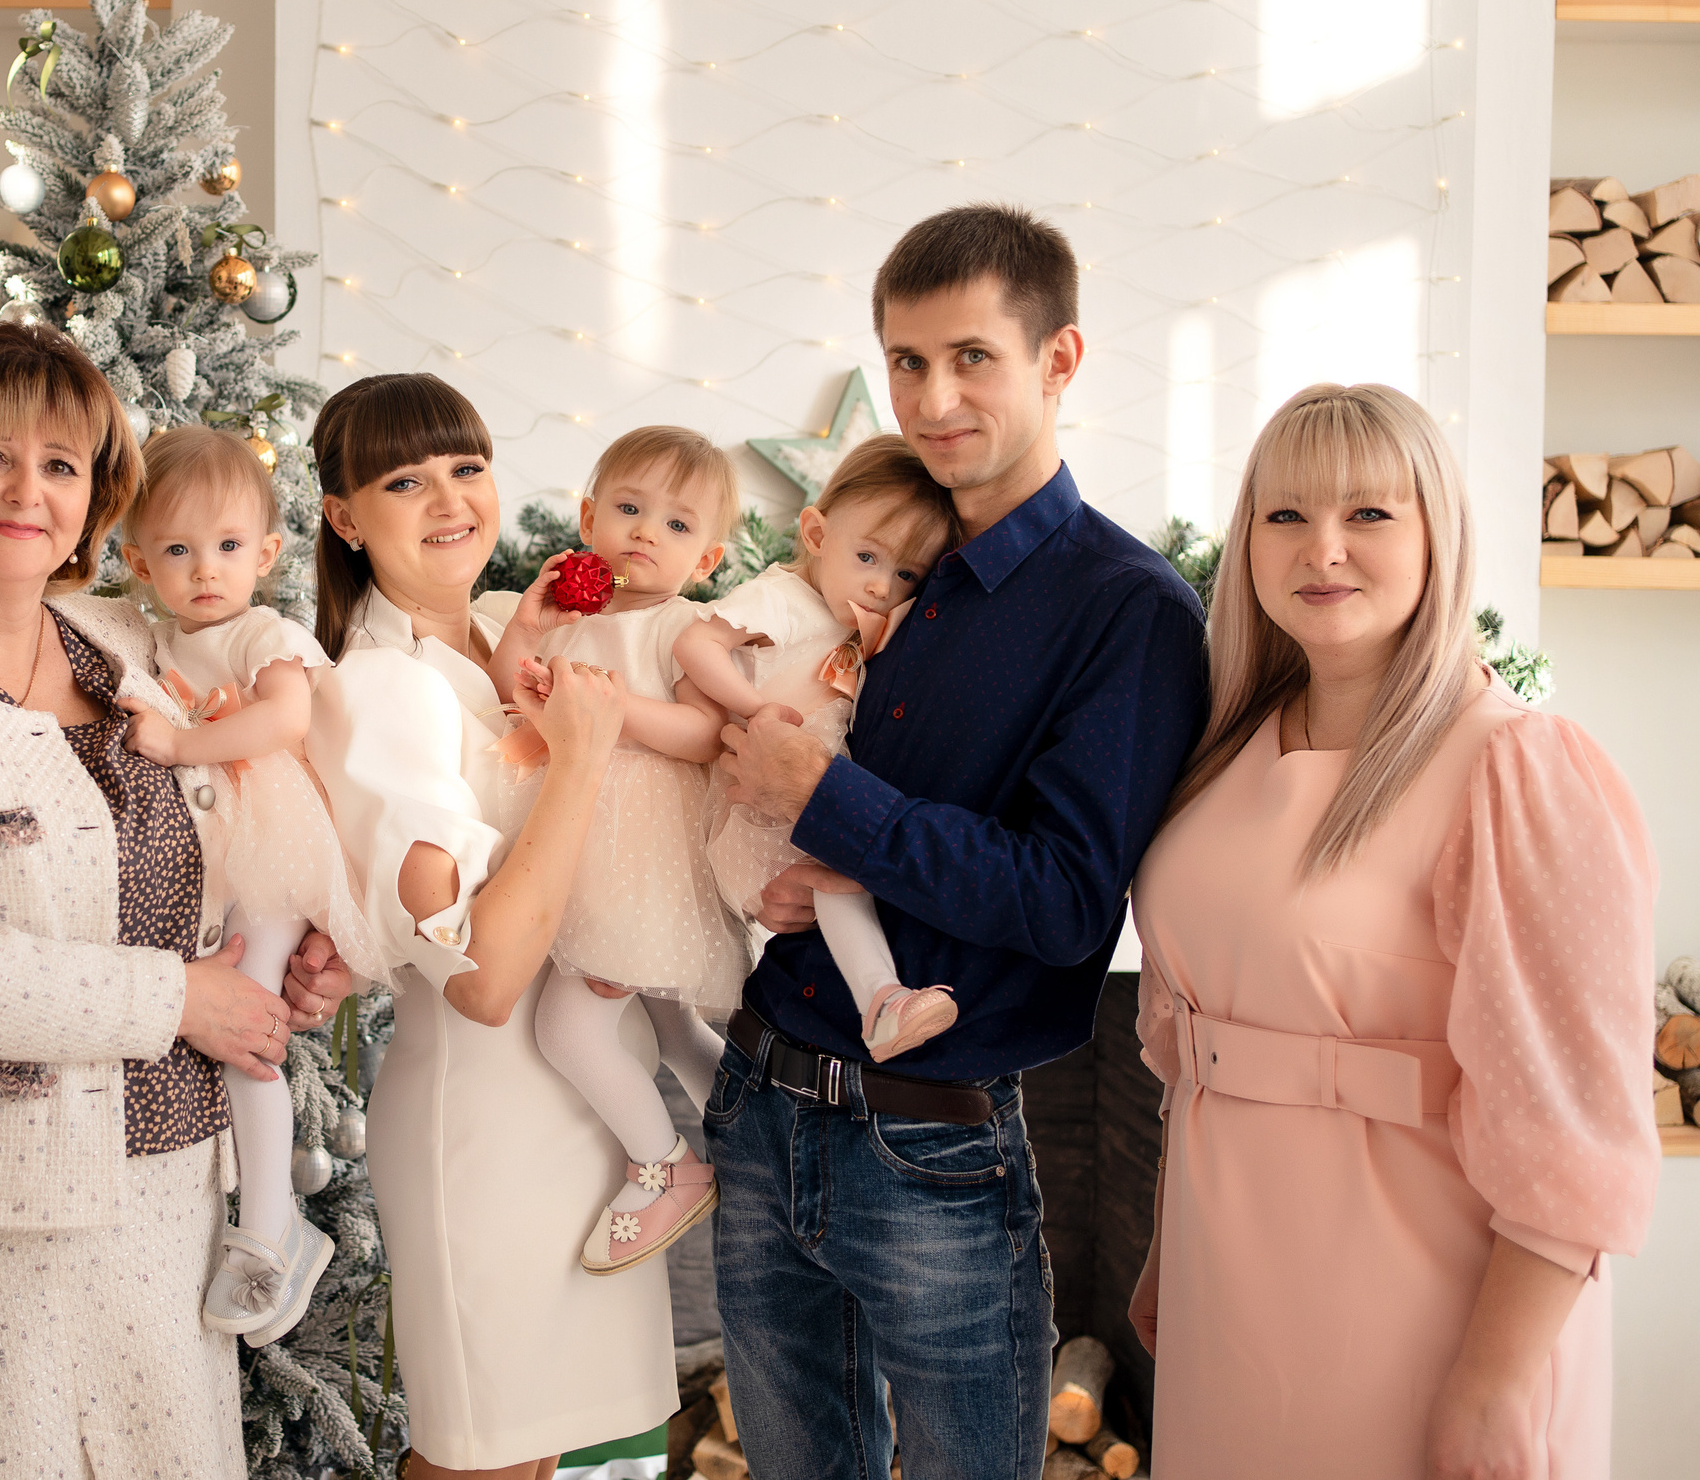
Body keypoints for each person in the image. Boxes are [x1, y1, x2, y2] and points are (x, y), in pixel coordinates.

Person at [0, 324, 353, 1478]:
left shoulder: (124, 643)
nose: (28, 491)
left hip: (174, 1185)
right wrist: (182, 1000)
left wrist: (288, 956)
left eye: (60, 465)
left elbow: (236, 819)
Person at [713, 204, 1209, 1480]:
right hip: (757, 1103)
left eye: (971, 357)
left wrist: (824, 798)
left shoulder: (1128, 612)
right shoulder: (873, 560)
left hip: (926, 1144)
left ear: (1059, 359)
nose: (932, 400)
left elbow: (1063, 902)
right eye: (905, 361)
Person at [1125, 383, 1658, 1479]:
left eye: (1368, 513)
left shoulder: (1515, 766)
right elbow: (1193, 1051)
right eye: (1285, 514)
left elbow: (1574, 1119)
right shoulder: (1223, 753)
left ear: (1436, 534)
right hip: (1233, 1284)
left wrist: (1495, 1381)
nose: (1321, 548)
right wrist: (1165, 1249)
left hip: (1424, 1295)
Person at [300, 373, 676, 1480]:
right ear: (343, 517)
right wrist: (583, 759)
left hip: (589, 1115)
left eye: (466, 467)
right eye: (403, 481)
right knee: (488, 1460)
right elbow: (484, 977)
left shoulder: (512, 634)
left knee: (554, 1455)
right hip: (489, 1130)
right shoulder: (383, 689)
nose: (449, 499)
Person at [114, 422, 367, 1340]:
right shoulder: (154, 638)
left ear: (265, 553)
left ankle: (270, 1223)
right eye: (178, 550)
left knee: (247, 1024)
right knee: (210, 1022)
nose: (204, 571)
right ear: (140, 563)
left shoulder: (261, 632)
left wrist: (184, 742)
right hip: (206, 856)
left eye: (227, 546)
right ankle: (253, 1212)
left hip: (268, 850)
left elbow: (286, 718)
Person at [483, 425, 748, 1276]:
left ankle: (664, 1164)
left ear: (706, 559)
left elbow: (705, 733)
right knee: (671, 1023)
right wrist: (528, 625)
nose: (645, 532)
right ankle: (762, 1134)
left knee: (569, 1025)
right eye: (629, 508)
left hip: (640, 858)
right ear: (589, 517)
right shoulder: (572, 621)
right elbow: (509, 690)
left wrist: (613, 708)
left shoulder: (682, 626)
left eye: (676, 524)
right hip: (574, 838)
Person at [677, 432, 965, 1062]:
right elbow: (695, 644)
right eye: (867, 556)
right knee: (844, 875)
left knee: (853, 872)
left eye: (907, 574)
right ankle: (881, 999)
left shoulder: (860, 622)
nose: (882, 586)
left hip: (807, 802)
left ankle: (882, 1000)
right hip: (759, 808)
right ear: (814, 534)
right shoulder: (782, 598)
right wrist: (755, 707)